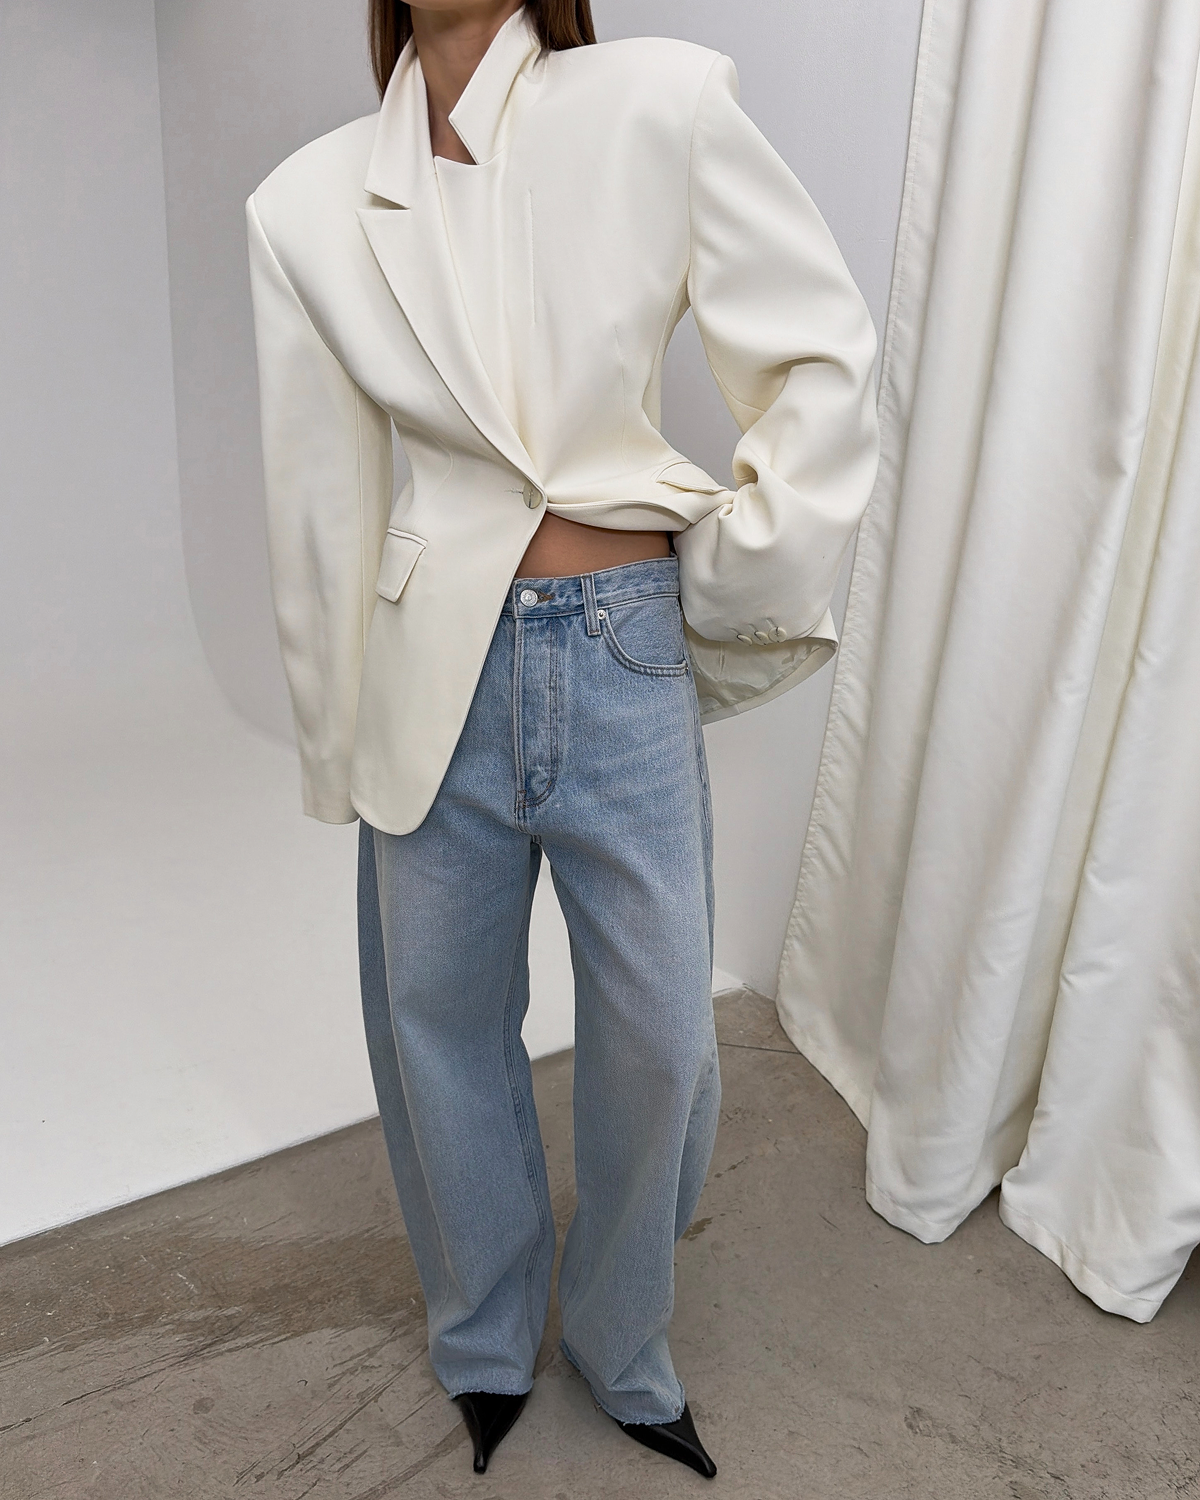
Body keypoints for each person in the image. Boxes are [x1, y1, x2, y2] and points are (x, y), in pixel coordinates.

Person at [246, 0, 878, 1478]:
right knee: (436, 1028)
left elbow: (820, 360)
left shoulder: (660, 103)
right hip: (431, 671)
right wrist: (335, 731)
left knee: (661, 1039)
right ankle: (482, 1337)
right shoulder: (305, 205)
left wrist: (725, 574)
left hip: (619, 650)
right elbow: (319, 497)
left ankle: (618, 1331)